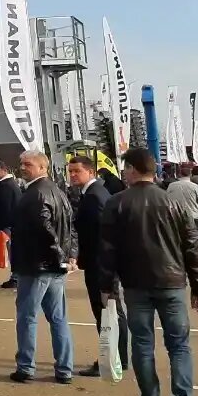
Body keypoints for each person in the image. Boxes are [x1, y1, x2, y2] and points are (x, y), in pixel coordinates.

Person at [99, 148, 198, 396]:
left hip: (136, 285)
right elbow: (192, 246)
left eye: (125, 169)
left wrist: (107, 286)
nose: (123, 174)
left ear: (133, 169)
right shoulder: (172, 202)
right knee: (179, 346)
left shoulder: (117, 203)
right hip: (171, 283)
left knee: (143, 346)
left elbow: (107, 250)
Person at [9, 150, 76, 384]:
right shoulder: (58, 191)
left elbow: (44, 229)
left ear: (42, 167)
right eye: (21, 163)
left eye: (27, 164)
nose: (22, 167)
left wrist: (61, 256)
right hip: (54, 266)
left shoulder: (34, 194)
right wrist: (69, 256)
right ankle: (65, 369)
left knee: (27, 316)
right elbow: (69, 227)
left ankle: (26, 367)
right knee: (58, 318)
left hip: (37, 265)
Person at [66, 156, 128, 376]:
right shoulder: (91, 194)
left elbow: (104, 234)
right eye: (70, 171)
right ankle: (116, 356)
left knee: (107, 311)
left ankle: (114, 357)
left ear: (90, 172)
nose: (72, 175)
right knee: (107, 311)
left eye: (77, 171)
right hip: (98, 262)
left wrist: (105, 267)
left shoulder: (94, 196)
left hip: (100, 264)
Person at [0, 161, 23, 288]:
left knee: (12, 251)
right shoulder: (11, 185)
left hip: (8, 224)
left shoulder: (5, 186)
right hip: (12, 223)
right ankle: (16, 276)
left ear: (5, 170)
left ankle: (15, 277)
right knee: (13, 250)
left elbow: (4, 208)